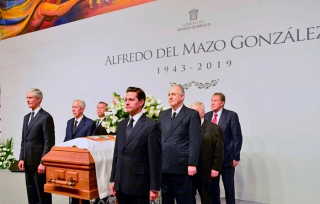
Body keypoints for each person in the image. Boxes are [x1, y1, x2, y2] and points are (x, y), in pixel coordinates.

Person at [110, 87, 161, 204]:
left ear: (141, 102)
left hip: (139, 185)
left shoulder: (151, 125)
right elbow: (117, 154)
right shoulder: (122, 125)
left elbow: (155, 159)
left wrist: (154, 187)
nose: (127, 102)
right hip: (121, 184)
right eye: (126, 99)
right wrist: (113, 179)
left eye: (131, 99)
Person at [158, 84, 201, 204]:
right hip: (164, 164)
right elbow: (159, 139)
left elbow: (195, 141)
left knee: (184, 199)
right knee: (166, 199)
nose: (170, 97)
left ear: (182, 97)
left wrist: (192, 163)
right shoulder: (163, 114)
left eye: (173, 94)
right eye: (168, 94)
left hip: (181, 165)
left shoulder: (191, 114)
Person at [204, 92, 243, 204]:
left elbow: (237, 137)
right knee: (214, 188)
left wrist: (236, 157)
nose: (212, 103)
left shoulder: (231, 115)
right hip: (212, 160)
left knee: (229, 188)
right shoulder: (207, 116)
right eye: (212, 100)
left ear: (222, 103)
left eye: (215, 101)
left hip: (227, 158)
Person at [18, 88, 55, 204]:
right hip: (27, 162)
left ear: (38, 99)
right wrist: (21, 158)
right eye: (27, 98)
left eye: (30, 97)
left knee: (42, 195)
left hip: (39, 164)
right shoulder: (26, 117)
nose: (27, 100)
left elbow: (48, 142)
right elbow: (24, 140)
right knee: (31, 193)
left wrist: (43, 162)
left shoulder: (46, 117)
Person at [190, 101, 224, 204]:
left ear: (203, 113)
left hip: (205, 172)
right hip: (189, 172)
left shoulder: (214, 128)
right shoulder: (186, 127)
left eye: (195, 111)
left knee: (206, 199)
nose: (193, 114)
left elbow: (218, 150)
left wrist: (215, 168)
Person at [64, 99, 95, 204]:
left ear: (82, 109)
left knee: (82, 189)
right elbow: (67, 139)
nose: (73, 109)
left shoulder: (90, 123)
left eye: (76, 107)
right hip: (70, 160)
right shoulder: (69, 122)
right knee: (72, 188)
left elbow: (91, 143)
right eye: (72, 107)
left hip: (82, 161)